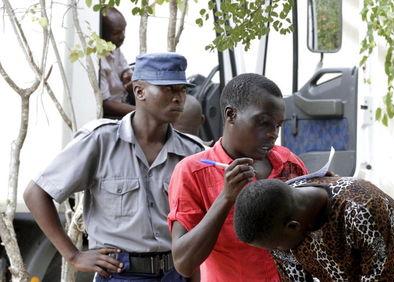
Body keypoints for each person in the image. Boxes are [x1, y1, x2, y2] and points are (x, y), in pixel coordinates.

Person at [23, 53, 204, 281]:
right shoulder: (101, 141)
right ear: (139, 92)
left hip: (176, 272)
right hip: (120, 272)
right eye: (168, 89)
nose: (178, 98)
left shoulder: (191, 152)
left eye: (182, 90)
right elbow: (35, 193)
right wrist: (74, 256)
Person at [168, 73, 309, 281]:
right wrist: (226, 198)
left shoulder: (288, 163)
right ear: (231, 115)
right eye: (264, 123)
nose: (273, 133)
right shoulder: (193, 172)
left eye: (278, 125)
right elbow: (184, 263)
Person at [233, 177, 394, 281]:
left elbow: (382, 277)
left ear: (293, 227)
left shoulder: (361, 209)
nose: (277, 251)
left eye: (276, 246)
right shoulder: (280, 219)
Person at [100, 7, 135, 118]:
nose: (122, 36)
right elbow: (106, 105)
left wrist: (128, 76)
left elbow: (126, 71)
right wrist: (143, 112)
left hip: (125, 102)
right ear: (102, 34)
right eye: (116, 33)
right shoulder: (98, 62)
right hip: (112, 115)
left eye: (123, 30)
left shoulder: (115, 48)